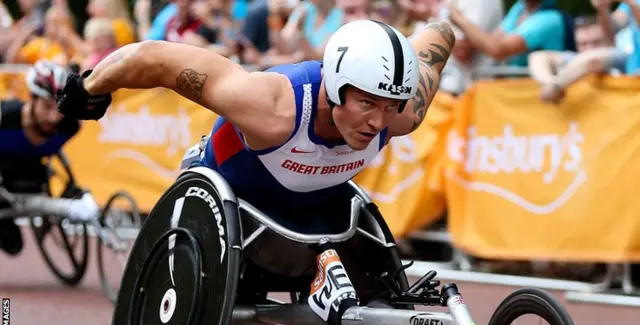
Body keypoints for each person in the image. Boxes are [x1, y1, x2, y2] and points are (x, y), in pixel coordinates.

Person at [55, 19, 453, 220]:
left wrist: (439, 25)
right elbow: (153, 59)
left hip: (312, 206)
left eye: (389, 105)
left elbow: (435, 44)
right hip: (228, 198)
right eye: (367, 103)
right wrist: (90, 88)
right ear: (336, 87)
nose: (377, 123)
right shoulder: (272, 107)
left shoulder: (403, 115)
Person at [0, 61, 99, 256]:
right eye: (46, 107)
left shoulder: (68, 127)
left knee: (14, 245)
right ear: (32, 99)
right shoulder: (5, 119)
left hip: (31, 172)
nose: (53, 117)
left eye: (59, 109)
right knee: (13, 245)